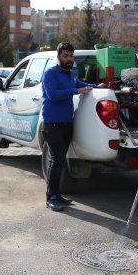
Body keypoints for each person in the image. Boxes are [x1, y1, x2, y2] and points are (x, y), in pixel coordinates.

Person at [41, 42, 105, 211]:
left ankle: (57, 194)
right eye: (65, 56)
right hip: (52, 125)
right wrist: (76, 91)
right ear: (58, 57)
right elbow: (52, 95)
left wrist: (99, 87)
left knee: (60, 161)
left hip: (67, 124)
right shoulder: (50, 74)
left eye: (71, 56)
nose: (69, 59)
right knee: (58, 161)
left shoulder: (70, 74)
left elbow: (80, 84)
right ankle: (51, 197)